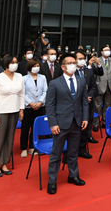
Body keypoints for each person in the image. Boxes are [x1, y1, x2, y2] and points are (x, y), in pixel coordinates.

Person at [45, 53, 89, 194]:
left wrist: (85, 118)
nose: (73, 65)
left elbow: (84, 102)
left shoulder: (81, 81)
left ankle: (73, 175)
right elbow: (50, 105)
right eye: (69, 63)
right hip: (60, 123)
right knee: (56, 154)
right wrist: (53, 123)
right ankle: (52, 181)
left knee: (73, 152)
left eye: (74, 63)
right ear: (63, 66)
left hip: (76, 122)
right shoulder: (55, 83)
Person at [0, 55, 24, 178]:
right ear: (6, 64)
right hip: (0, 111)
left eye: (16, 62)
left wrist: (21, 109)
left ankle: (4, 163)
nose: (15, 64)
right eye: (12, 62)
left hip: (14, 111)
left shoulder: (19, 76)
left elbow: (21, 94)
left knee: (9, 139)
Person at [20, 59, 47, 158]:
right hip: (28, 106)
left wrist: (40, 102)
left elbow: (45, 91)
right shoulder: (24, 78)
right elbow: (23, 93)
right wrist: (31, 103)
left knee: (35, 127)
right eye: (34, 66)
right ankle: (23, 148)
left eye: (38, 65)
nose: (36, 67)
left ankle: (32, 147)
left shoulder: (43, 77)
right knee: (25, 128)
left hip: (40, 106)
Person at [75, 51, 99, 159]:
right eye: (80, 58)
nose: (82, 60)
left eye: (83, 58)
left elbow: (93, 86)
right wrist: (83, 98)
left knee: (86, 126)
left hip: (88, 104)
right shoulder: (71, 72)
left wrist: (88, 96)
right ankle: (71, 151)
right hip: (75, 105)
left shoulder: (88, 71)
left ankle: (82, 149)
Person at [94, 45, 111, 131]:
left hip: (109, 86)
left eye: (109, 50)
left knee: (107, 105)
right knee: (98, 106)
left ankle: (105, 122)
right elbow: (94, 74)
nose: (108, 51)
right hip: (99, 85)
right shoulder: (97, 60)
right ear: (102, 52)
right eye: (106, 50)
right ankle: (96, 123)